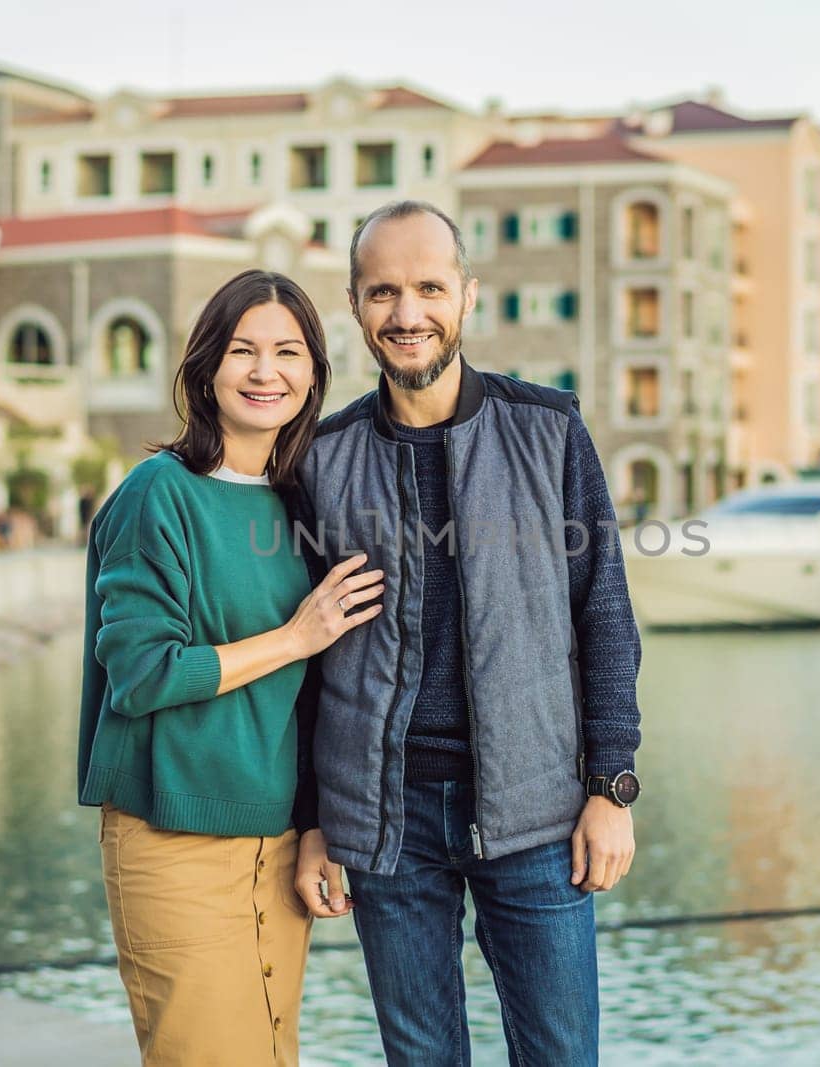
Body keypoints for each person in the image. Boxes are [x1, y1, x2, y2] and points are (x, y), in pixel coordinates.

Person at [291, 202, 644, 1065]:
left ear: (468, 296)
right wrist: (310, 820)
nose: (407, 313)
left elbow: (604, 615)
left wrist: (612, 786)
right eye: (383, 292)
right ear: (354, 304)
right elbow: (302, 667)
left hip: (540, 808)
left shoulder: (549, 429)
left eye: (428, 288)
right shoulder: (321, 458)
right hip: (385, 822)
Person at [77, 270, 383, 1066]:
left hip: (278, 846)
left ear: (313, 372)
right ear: (207, 367)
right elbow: (142, 673)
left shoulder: (305, 500)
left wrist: (317, 826)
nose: (264, 370)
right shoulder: (160, 493)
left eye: (287, 352)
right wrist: (294, 635)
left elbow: (321, 696)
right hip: (171, 838)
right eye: (243, 350)